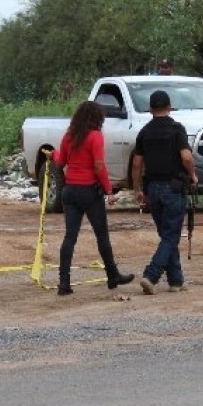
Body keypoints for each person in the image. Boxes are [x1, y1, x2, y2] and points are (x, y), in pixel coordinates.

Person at [47, 101, 134, 296]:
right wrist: (109, 190)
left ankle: (64, 283)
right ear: (97, 118)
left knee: (70, 237)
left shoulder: (70, 136)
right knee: (102, 235)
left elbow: (61, 163)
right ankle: (112, 275)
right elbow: (99, 166)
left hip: (70, 191)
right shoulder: (95, 136)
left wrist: (53, 154)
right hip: (89, 192)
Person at [131, 90, 197, 295]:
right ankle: (151, 275)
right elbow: (186, 157)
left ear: (151, 109)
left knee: (167, 235)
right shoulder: (177, 130)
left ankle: (176, 281)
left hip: (153, 190)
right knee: (170, 237)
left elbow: (136, 164)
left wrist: (137, 190)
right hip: (173, 188)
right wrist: (193, 175)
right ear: (169, 107)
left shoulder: (144, 132)